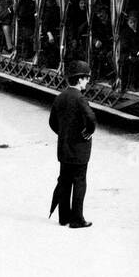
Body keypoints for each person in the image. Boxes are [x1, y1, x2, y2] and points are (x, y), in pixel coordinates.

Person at [48, 60, 97, 229]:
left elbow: (52, 122)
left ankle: (63, 217)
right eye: (87, 78)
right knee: (79, 182)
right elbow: (91, 118)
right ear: (80, 79)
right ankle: (77, 219)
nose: (88, 81)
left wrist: (64, 134)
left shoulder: (60, 97)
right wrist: (88, 132)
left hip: (64, 148)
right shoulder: (80, 99)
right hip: (79, 150)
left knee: (65, 181)